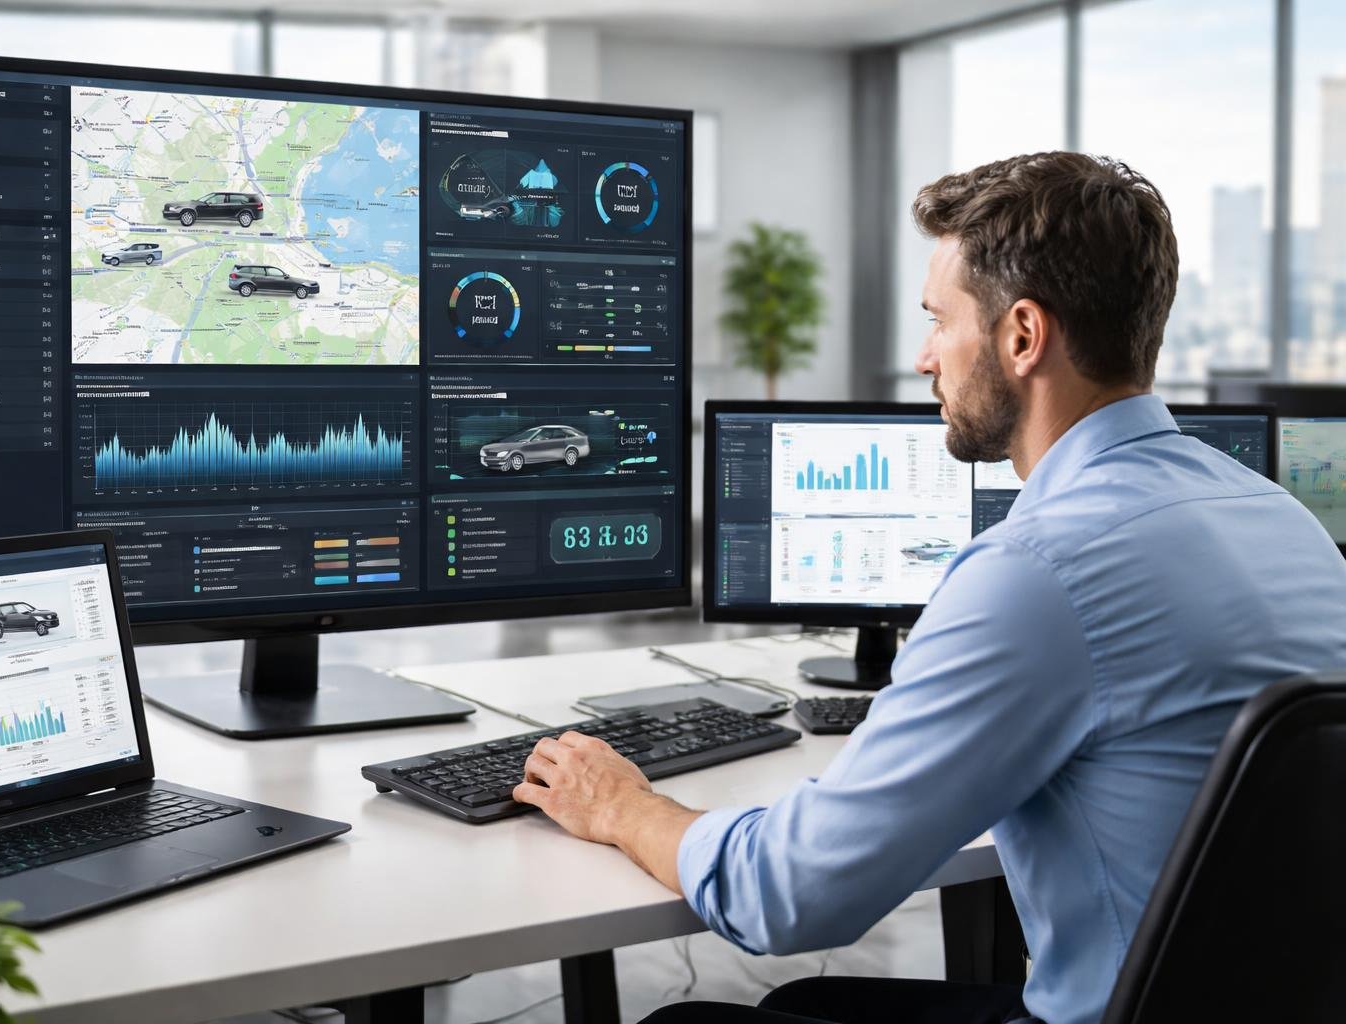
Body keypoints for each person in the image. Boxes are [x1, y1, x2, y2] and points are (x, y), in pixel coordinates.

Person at [511, 152, 1346, 1024]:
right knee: (809, 1004)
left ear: (1023, 336)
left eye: (938, 321)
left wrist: (624, 806)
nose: (923, 359)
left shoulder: (1038, 569)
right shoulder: (1279, 517)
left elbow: (789, 895)